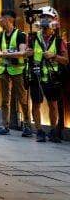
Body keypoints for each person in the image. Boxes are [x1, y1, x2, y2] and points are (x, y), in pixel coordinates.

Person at [26, 8, 69, 143]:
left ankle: (53, 131)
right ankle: (39, 131)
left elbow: (66, 60)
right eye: (43, 17)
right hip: (36, 76)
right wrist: (28, 52)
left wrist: (54, 56)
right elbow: (26, 52)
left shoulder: (59, 41)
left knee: (53, 105)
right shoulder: (32, 37)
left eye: (48, 17)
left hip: (52, 78)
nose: (45, 20)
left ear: (54, 21)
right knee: (36, 104)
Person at [0, 10, 30, 136]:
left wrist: (7, 54)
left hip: (18, 70)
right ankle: (4, 125)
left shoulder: (20, 34)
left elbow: (22, 52)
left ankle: (27, 125)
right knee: (4, 100)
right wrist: (2, 54)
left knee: (22, 98)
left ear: (9, 19)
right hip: (3, 70)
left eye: (1, 18)